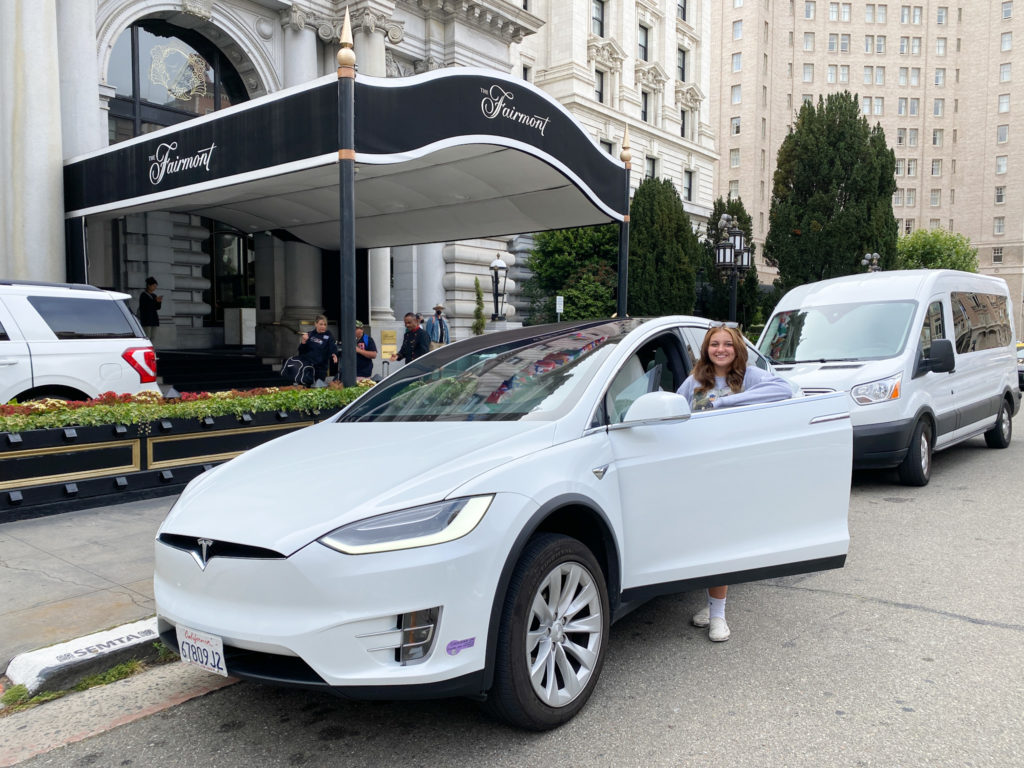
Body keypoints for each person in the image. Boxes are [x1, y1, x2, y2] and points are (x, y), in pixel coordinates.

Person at [676, 323, 793, 642]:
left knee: (718, 543)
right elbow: (673, 417)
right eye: (715, 344)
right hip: (698, 472)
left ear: (737, 349)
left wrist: (726, 402)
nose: (721, 349)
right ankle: (713, 604)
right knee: (701, 543)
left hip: (733, 472)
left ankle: (718, 616)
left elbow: (784, 390)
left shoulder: (749, 377)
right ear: (706, 349)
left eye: (728, 344)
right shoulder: (693, 381)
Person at [297, 314, 337, 386]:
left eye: (325, 324)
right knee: (306, 388)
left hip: (321, 368)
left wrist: (334, 354)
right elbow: (301, 351)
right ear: (316, 324)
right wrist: (303, 342)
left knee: (319, 387)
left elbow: (332, 347)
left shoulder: (328, 335)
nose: (323, 326)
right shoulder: (310, 334)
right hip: (308, 367)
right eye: (321, 324)